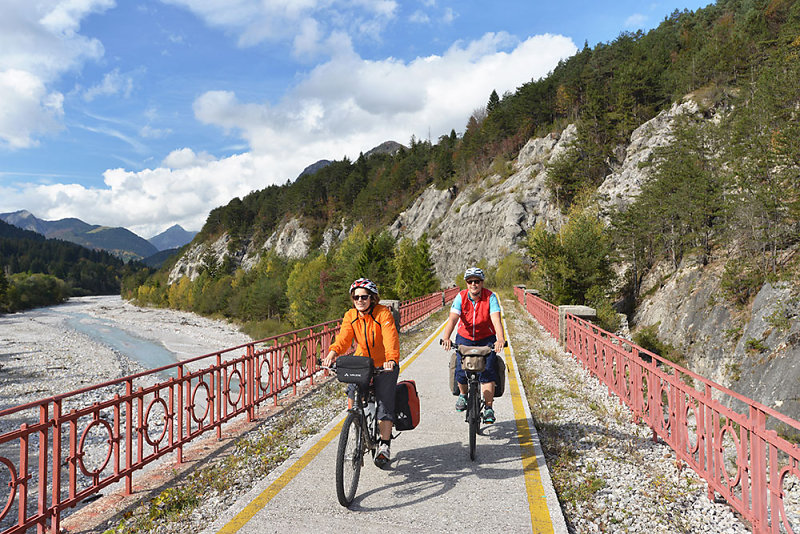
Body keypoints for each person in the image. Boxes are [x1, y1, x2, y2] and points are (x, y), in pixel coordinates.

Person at [323, 278, 400, 467]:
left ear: (372, 298)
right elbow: (344, 338)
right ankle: (356, 422)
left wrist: (391, 359)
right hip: (361, 363)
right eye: (356, 297)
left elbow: (391, 337)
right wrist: (332, 353)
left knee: (384, 402)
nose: (359, 300)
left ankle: (384, 444)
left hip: (383, 364)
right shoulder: (351, 315)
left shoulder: (383, 313)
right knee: (352, 394)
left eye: (364, 297)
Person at [441, 267, 505, 424]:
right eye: (470, 281)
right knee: (461, 370)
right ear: (466, 283)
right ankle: (463, 395)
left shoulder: (490, 297)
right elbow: (453, 319)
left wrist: (500, 339)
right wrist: (446, 337)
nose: (473, 284)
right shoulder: (460, 297)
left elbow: (496, 319)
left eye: (477, 281)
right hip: (465, 337)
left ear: (482, 283)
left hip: (486, 338)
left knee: (488, 372)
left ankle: (489, 407)